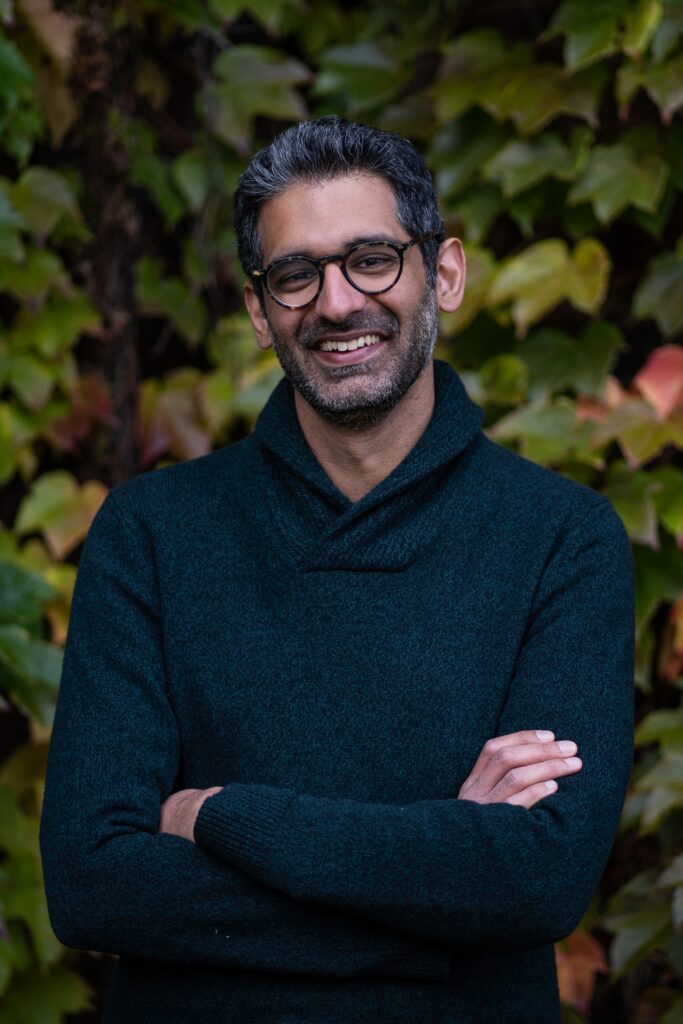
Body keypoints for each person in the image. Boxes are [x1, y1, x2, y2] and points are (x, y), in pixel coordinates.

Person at [40, 117, 635, 1024]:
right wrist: (441, 897)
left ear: (443, 274)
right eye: (295, 274)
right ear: (258, 310)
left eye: (370, 258)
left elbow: (537, 882)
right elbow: (93, 883)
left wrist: (221, 816)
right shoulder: (152, 533)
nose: (335, 301)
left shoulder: (561, 539)